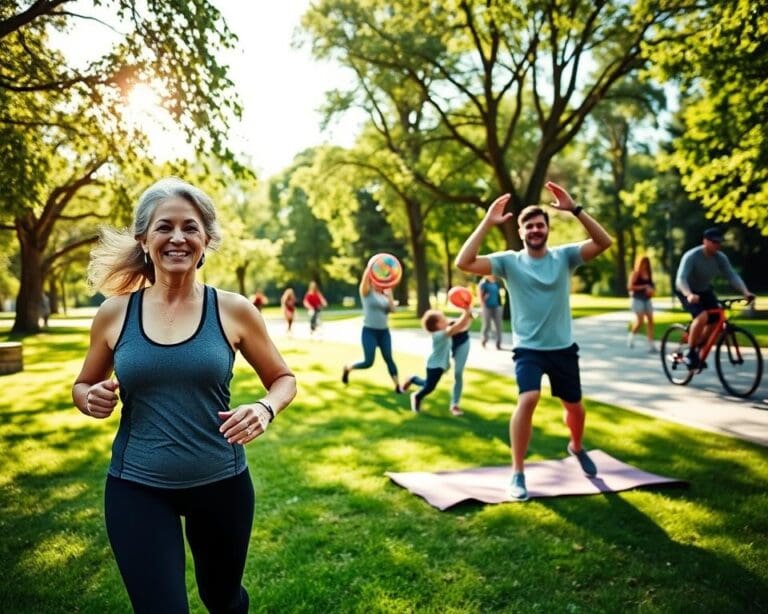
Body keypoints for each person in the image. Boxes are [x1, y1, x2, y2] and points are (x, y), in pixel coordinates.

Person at [71, 177, 297, 613]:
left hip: (221, 485)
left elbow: (283, 378)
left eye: (190, 227)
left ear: (206, 239)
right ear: (144, 239)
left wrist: (264, 408)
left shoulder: (232, 310)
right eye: (164, 227)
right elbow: (83, 384)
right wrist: (89, 398)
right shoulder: (115, 312)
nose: (178, 237)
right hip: (137, 486)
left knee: (223, 598)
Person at [455, 181, 612, 502]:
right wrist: (487, 221)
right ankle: (517, 472)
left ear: (548, 229)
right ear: (522, 231)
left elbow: (604, 241)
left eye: (540, 225)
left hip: (563, 349)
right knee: (528, 399)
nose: (536, 230)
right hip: (528, 350)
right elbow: (464, 262)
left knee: (576, 409)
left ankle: (576, 446)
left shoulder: (565, 257)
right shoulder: (508, 262)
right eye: (529, 226)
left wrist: (576, 209)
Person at [675, 227, 754, 370]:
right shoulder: (692, 256)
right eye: (714, 242)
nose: (717, 245)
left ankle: (700, 343)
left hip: (704, 290)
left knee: (717, 318)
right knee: (702, 317)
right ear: (705, 241)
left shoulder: (720, 257)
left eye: (719, 242)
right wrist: (689, 295)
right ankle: (691, 353)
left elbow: (732, 276)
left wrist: (745, 292)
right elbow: (681, 278)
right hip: (686, 289)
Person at [342, 261, 403, 393]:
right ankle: (348, 367)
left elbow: (393, 310)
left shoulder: (385, 296)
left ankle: (398, 386)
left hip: (384, 332)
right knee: (368, 362)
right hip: (369, 331)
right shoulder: (366, 293)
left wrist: (390, 293)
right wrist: (372, 265)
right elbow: (365, 280)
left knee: (389, 358)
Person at [403, 306, 473, 414]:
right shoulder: (439, 335)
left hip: (437, 365)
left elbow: (460, 326)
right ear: (437, 325)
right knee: (429, 387)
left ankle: (412, 379)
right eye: (443, 319)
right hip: (435, 366)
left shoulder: (442, 332)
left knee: (428, 383)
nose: (446, 320)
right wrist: (466, 312)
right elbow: (457, 327)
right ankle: (417, 396)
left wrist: (467, 314)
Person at [626, 255, 656, 352]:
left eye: (647, 263)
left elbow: (652, 287)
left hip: (647, 299)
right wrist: (643, 287)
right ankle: (631, 336)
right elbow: (630, 287)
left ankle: (651, 344)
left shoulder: (649, 274)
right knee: (640, 321)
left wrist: (651, 291)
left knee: (651, 321)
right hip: (637, 299)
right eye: (643, 263)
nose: (645, 265)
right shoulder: (635, 274)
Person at [448, 307, 473, 415]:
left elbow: (465, 325)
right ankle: (415, 381)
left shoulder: (464, 324)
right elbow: (457, 327)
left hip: (463, 343)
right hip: (448, 345)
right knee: (436, 373)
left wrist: (468, 311)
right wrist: (467, 312)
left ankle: (454, 404)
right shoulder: (446, 328)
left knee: (457, 373)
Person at [478, 274, 503, 349]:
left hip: (497, 306)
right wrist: (483, 302)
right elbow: (480, 295)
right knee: (487, 325)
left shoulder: (496, 283)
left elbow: (499, 294)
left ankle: (498, 343)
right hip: (487, 307)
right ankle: (484, 340)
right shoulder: (483, 283)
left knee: (498, 325)